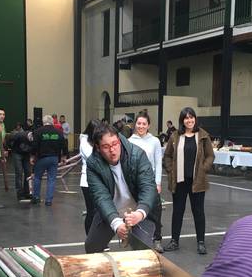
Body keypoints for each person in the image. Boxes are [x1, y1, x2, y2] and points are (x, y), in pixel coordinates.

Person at [84, 123, 158, 253]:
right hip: (111, 210)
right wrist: (116, 223)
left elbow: (148, 187)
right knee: (91, 247)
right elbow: (101, 197)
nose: (112, 150)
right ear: (98, 147)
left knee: (144, 253)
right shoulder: (93, 164)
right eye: (106, 147)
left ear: (119, 140)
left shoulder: (137, 155)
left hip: (138, 209)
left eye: (115, 144)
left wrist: (140, 213)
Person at [162, 107, 215, 255]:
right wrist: (171, 170)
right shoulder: (175, 136)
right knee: (177, 211)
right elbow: (167, 156)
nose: (189, 120)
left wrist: (203, 168)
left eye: (191, 117)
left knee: (198, 212)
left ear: (195, 119)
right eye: (186, 118)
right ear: (182, 120)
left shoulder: (203, 136)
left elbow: (210, 155)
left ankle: (201, 242)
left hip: (197, 181)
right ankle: (174, 241)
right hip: (179, 181)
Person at [129, 111, 164, 252]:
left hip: (151, 183)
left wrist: (158, 182)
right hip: (135, 184)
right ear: (135, 124)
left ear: (148, 125)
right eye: (139, 123)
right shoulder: (130, 141)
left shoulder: (154, 141)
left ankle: (157, 239)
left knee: (155, 212)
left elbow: (158, 163)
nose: (141, 126)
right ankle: (137, 240)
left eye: (144, 124)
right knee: (137, 211)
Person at [31, 114, 66, 206]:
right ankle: (49, 200)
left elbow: (34, 146)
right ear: (52, 122)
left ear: (43, 122)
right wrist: (64, 156)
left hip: (42, 158)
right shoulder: (59, 132)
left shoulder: (38, 131)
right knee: (51, 179)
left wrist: (32, 156)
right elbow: (64, 144)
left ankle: (36, 197)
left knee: (37, 177)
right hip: (54, 158)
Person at [80, 119, 101, 234]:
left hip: (99, 181)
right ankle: (90, 237)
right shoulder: (84, 142)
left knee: (100, 211)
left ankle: (97, 237)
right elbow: (92, 158)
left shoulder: (96, 141)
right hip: (87, 182)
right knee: (92, 211)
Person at [6, 128, 34, 201]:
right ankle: (19, 193)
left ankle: (27, 192)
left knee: (28, 172)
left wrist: (32, 156)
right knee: (19, 172)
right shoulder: (20, 135)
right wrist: (8, 148)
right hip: (17, 153)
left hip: (26, 154)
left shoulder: (34, 139)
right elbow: (9, 139)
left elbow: (34, 148)